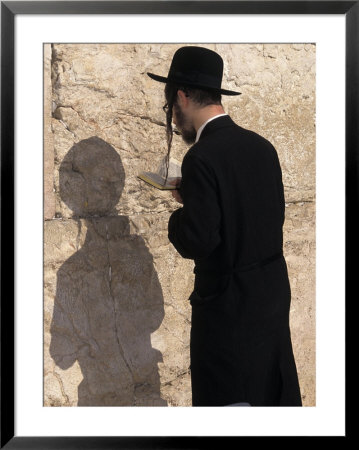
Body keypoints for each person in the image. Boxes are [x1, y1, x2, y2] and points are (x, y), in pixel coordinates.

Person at [147, 46, 302, 407]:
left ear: (182, 96)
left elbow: (198, 242)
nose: (173, 117)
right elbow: (259, 216)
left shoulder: (201, 157)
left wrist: (177, 217)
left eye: (170, 106)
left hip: (229, 315)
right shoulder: (262, 147)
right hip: (270, 302)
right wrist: (199, 201)